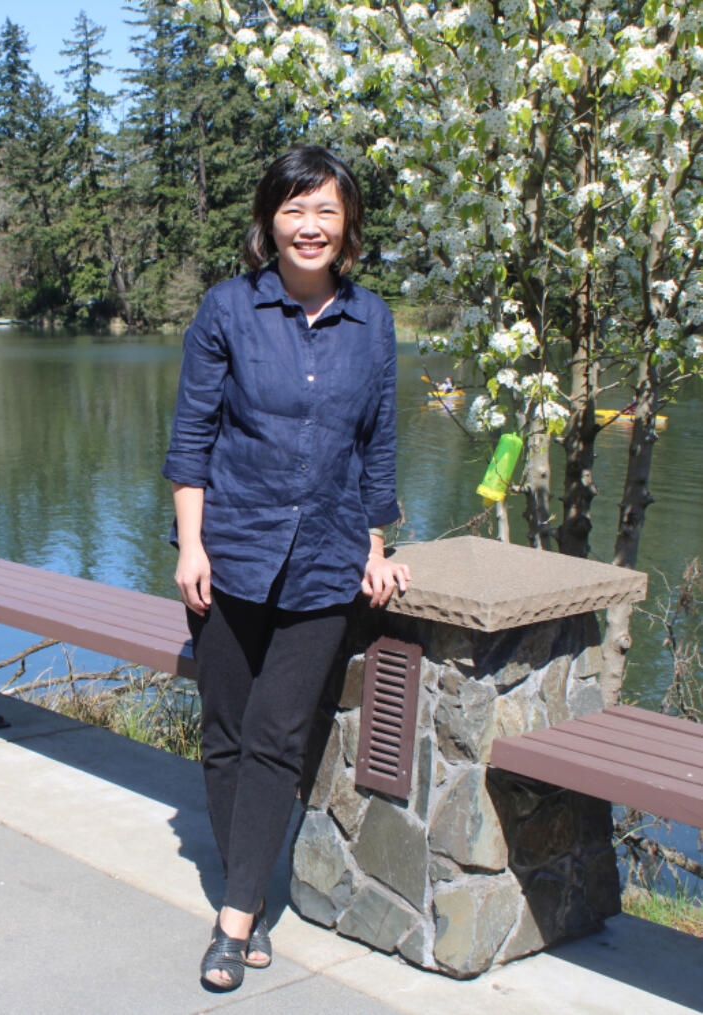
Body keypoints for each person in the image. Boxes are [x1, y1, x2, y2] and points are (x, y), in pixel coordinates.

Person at [162, 146, 410, 992]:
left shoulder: (373, 323)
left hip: (325, 563)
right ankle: (250, 893)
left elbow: (376, 447)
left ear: (347, 230)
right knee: (225, 733)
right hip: (228, 554)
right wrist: (190, 545)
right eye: (295, 210)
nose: (310, 226)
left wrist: (375, 547)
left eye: (327, 212)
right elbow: (191, 438)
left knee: (273, 736)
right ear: (271, 220)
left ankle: (233, 922)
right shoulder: (227, 310)